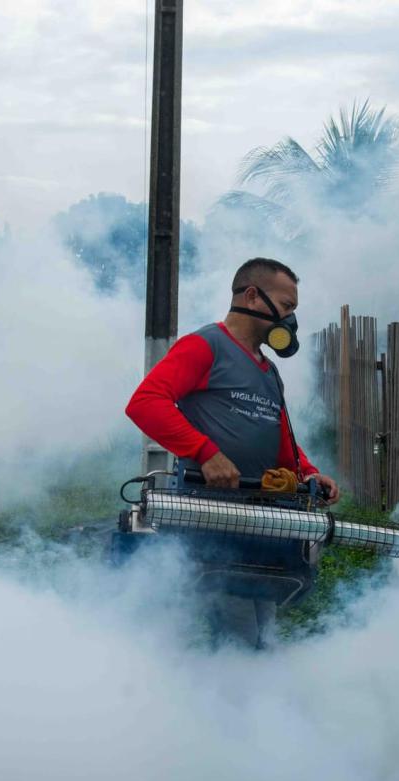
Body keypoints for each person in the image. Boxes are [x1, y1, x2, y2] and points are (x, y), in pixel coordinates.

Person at [125, 257, 341, 647]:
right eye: (287, 306)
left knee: (265, 624)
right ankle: (228, 698)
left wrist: (306, 472)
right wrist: (206, 453)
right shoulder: (205, 346)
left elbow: (277, 435)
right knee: (237, 627)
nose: (290, 319)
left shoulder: (267, 370)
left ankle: (252, 696)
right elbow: (146, 402)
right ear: (253, 296)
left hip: (262, 517)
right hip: (213, 516)